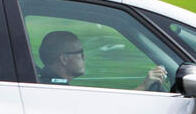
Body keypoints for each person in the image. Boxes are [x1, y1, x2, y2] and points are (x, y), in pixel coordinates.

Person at [37, 30, 168, 90]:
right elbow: (108, 111)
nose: (84, 57)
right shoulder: (57, 89)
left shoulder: (50, 83)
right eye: (80, 52)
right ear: (64, 59)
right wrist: (144, 86)